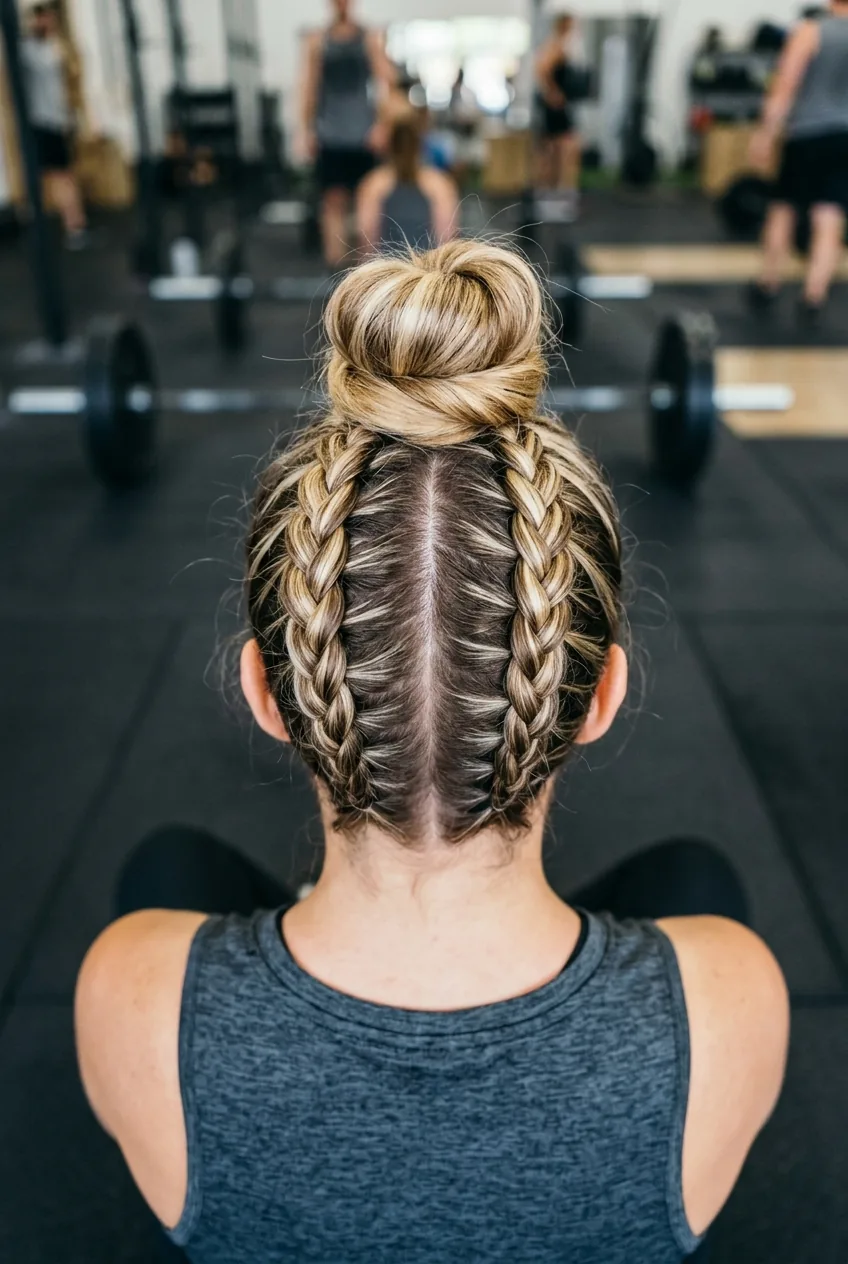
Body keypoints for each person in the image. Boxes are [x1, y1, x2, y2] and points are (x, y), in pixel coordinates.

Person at [75, 240, 789, 1264]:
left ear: (266, 694)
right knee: (695, 879)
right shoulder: (734, 1003)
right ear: (599, 698)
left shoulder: (126, 997)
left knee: (163, 868)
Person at [749, 0, 848, 317]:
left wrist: (765, 133)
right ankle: (813, 296)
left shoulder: (810, 31)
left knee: (783, 209)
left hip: (806, 133)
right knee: (830, 216)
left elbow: (785, 84)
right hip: (845, 137)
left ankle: (768, 283)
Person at [300, 0, 395, 268]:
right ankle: (335, 269)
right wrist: (305, 130)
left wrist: (383, 125)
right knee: (333, 202)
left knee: (367, 200)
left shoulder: (369, 37)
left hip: (363, 133)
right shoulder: (318, 40)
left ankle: (367, 269)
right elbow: (308, 86)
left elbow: (386, 81)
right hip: (330, 132)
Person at [20, 1, 88, 247]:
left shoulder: (56, 47)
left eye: (49, 18)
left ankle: (75, 227)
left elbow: (71, 77)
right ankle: (65, 228)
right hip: (40, 122)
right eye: (41, 19)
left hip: (58, 121)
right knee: (46, 176)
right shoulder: (28, 49)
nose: (46, 23)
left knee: (65, 175)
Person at [356, 111, 459, 253]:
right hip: (428, 270)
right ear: (421, 143)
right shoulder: (439, 183)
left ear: (390, 143)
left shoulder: (374, 183)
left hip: (388, 270)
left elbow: (367, 236)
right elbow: (447, 236)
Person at [534, 13, 583, 216]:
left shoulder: (560, 45)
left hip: (558, 107)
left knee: (557, 151)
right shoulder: (555, 45)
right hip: (555, 108)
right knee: (559, 152)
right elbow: (541, 68)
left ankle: (554, 198)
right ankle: (552, 198)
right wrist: (552, 91)